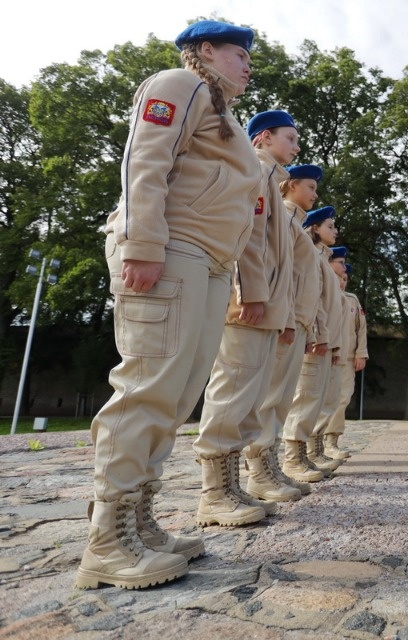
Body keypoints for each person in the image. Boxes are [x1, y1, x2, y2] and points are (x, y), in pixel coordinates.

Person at [78, 20, 261, 590]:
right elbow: (144, 158)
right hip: (171, 246)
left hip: (207, 259)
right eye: (238, 54)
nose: (248, 64)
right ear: (205, 51)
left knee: (178, 393)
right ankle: (107, 541)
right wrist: (142, 242)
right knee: (148, 387)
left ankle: (139, 521)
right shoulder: (177, 84)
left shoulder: (222, 112)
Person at [192, 110, 298, 526]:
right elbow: (245, 236)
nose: (296, 145)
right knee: (233, 391)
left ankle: (240, 483)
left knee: (252, 397)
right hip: (249, 301)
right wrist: (249, 293)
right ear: (263, 138)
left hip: (265, 302)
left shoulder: (269, 179)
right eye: (289, 138)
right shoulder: (254, 169)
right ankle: (215, 493)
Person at [250, 164, 323, 497]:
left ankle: (272, 466)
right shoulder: (283, 216)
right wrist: (286, 316)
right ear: (291, 186)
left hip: (297, 319)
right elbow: (278, 271)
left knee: (280, 398)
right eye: (310, 186)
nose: (315, 192)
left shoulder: (295, 223)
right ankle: (261, 470)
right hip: (284, 317)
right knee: (272, 396)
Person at [282, 206, 344, 482]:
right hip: (312, 335)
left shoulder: (322, 258)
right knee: (304, 398)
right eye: (330, 226)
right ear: (315, 227)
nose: (335, 231)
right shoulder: (314, 255)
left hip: (322, 337)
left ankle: (309, 452)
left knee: (317, 399)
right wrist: (318, 334)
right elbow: (314, 300)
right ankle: (293, 458)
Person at [324, 264, 368, 458]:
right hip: (323, 355)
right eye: (339, 278)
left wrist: (360, 353)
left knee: (343, 398)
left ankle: (331, 441)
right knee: (320, 399)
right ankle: (312, 442)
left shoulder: (352, 300)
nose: (342, 282)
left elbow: (361, 329)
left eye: (345, 279)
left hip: (347, 357)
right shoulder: (322, 295)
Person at [313, 246, 352, 460]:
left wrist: (339, 349)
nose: (343, 269)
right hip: (318, 345)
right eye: (339, 263)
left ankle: (317, 448)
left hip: (335, 350)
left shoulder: (347, 298)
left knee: (331, 399)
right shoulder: (322, 281)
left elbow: (353, 330)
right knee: (308, 399)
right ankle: (300, 454)